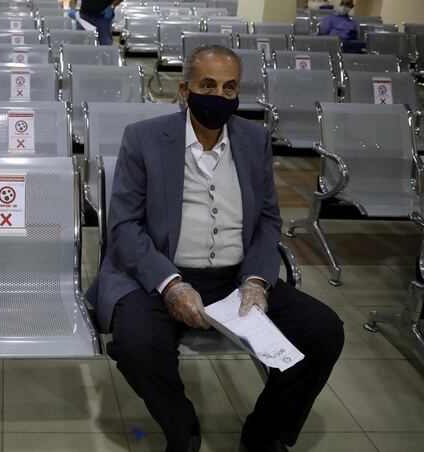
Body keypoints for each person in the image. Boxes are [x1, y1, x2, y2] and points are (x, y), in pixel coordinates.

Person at [87, 45, 344, 452]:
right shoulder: (145, 138)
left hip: (235, 278)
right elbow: (124, 225)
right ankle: (181, 427)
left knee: (323, 332)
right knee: (136, 345)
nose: (220, 96)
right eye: (208, 85)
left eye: (230, 87)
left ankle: (264, 432)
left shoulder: (253, 138)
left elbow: (267, 220)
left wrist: (257, 280)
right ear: (186, 90)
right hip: (158, 274)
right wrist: (171, 285)